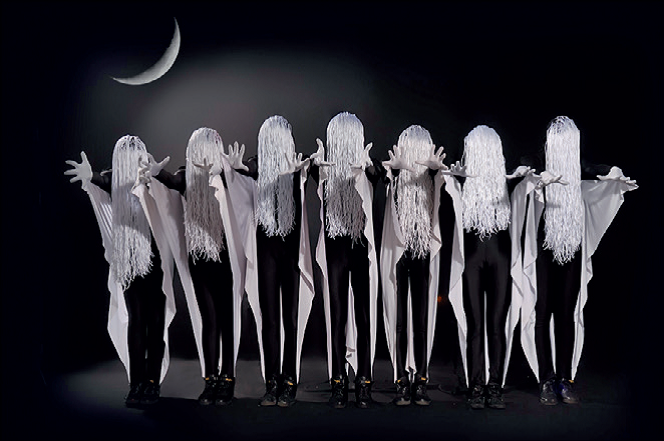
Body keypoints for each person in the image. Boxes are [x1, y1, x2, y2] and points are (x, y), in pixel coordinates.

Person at [520, 116, 638, 405]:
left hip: (571, 246)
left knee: (566, 314)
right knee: (542, 312)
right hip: (545, 247)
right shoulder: (538, 161)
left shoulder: (578, 166)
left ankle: (565, 379)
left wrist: (614, 174)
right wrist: (532, 176)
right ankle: (546, 379)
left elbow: (595, 169)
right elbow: (524, 167)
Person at [135, 127, 248, 406]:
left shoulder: (226, 177)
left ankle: (228, 378)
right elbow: (172, 181)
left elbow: (245, 188)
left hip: (225, 259)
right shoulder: (186, 177)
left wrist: (232, 170)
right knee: (209, 320)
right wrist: (156, 173)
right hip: (200, 259)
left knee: (227, 319)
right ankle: (211, 379)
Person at [64, 135, 177, 407]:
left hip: (155, 259)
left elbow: (169, 194)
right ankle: (137, 382)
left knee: (154, 322)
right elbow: (103, 182)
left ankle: (151, 382)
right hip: (129, 261)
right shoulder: (113, 179)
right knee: (138, 320)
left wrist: (157, 177)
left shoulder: (148, 177)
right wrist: (90, 177)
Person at [222, 115, 315, 407]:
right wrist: (237, 167)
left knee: (290, 319)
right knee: (270, 319)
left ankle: (289, 380)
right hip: (267, 254)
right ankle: (272, 381)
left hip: (291, 254)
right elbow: (249, 169)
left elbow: (309, 170)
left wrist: (301, 171)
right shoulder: (258, 164)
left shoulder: (297, 165)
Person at [441, 125, 535, 409]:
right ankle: (476, 385)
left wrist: (524, 172)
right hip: (471, 258)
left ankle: (494, 385)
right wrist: (456, 178)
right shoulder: (462, 180)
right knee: (475, 324)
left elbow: (527, 172)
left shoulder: (507, 181)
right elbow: (445, 183)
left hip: (500, 257)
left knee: (496, 325)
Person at [310, 112, 382, 408]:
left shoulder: (366, 168)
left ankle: (363, 382)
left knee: (363, 316)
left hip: (360, 246)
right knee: (338, 315)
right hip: (335, 245)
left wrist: (367, 166)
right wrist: (315, 164)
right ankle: (338, 382)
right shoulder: (325, 169)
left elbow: (377, 174)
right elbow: (313, 172)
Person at [380, 125, 448, 406]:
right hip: (399, 250)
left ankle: (420, 379)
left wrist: (432, 172)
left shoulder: (433, 177)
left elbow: (443, 192)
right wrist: (396, 172)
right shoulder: (394, 176)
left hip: (421, 248)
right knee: (399, 320)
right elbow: (388, 195)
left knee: (420, 319)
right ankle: (401, 380)